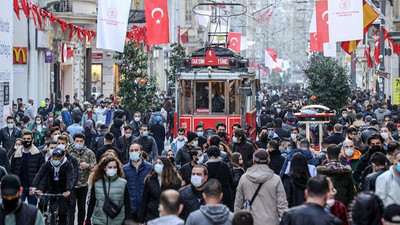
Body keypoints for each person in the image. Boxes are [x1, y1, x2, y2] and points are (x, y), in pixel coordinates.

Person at [235, 149, 288, 225]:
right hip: (271, 221)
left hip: (250, 221)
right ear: (268, 161)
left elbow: (238, 203)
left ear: (253, 161)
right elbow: (282, 204)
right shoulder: (276, 179)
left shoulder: (244, 178)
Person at [31, 148, 73, 225]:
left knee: (62, 212)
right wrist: (34, 188)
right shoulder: (48, 164)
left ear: (63, 156)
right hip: (51, 188)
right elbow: (39, 175)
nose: (55, 158)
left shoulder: (68, 165)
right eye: (54, 156)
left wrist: (68, 190)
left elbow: (69, 178)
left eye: (58, 157)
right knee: (42, 204)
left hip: (63, 191)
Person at [86, 156, 131, 225]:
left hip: (117, 221)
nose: (112, 169)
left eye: (114, 167)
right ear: (104, 168)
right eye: (110, 167)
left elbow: (127, 203)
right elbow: (92, 202)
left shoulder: (123, 183)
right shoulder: (97, 183)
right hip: (99, 221)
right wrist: (88, 218)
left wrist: (127, 220)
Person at [138, 157, 182, 224]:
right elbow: (145, 200)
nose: (157, 165)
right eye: (156, 163)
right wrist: (141, 219)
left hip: (169, 216)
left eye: (160, 163)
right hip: (152, 215)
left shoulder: (175, 181)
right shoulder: (150, 180)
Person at [67, 133, 97, 225]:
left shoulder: (89, 153)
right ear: (74, 141)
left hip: (84, 185)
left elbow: (95, 167)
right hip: (72, 185)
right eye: (77, 141)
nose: (79, 143)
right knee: (71, 208)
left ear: (84, 142)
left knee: (82, 208)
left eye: (81, 141)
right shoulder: (68, 152)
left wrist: (88, 166)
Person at [10, 131, 45, 205]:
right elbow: (12, 171)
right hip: (20, 187)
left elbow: (42, 173)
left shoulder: (39, 155)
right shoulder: (16, 155)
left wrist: (39, 188)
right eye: (24, 139)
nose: (26, 140)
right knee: (18, 208)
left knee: (31, 211)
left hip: (33, 188)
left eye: (28, 139)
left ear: (32, 140)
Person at [122, 143, 152, 223]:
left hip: (146, 209)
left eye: (136, 150)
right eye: (131, 150)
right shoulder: (124, 169)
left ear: (141, 152)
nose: (134, 152)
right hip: (130, 210)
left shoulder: (149, 168)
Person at [205, 146, 235, 211]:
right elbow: (231, 180)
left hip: (212, 193)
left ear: (209, 155)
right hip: (226, 193)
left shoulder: (206, 167)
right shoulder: (225, 165)